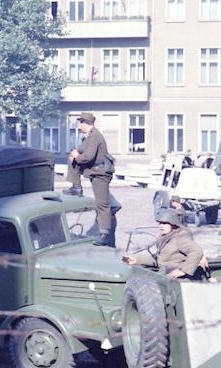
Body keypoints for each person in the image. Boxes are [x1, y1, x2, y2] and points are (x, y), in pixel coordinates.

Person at [66, 112, 114, 246]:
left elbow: (87, 157)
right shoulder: (89, 136)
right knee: (72, 159)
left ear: (85, 123)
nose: (80, 126)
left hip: (100, 173)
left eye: (81, 123)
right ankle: (76, 187)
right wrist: (74, 153)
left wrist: (77, 155)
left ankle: (105, 234)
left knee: (102, 204)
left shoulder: (94, 136)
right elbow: (83, 151)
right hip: (94, 169)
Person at [124, 209, 207, 279]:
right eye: (160, 223)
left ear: (173, 225)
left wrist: (183, 271)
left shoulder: (180, 237)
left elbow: (196, 251)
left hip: (175, 277)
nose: (161, 226)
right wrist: (137, 260)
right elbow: (160, 259)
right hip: (164, 273)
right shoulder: (165, 237)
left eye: (164, 223)